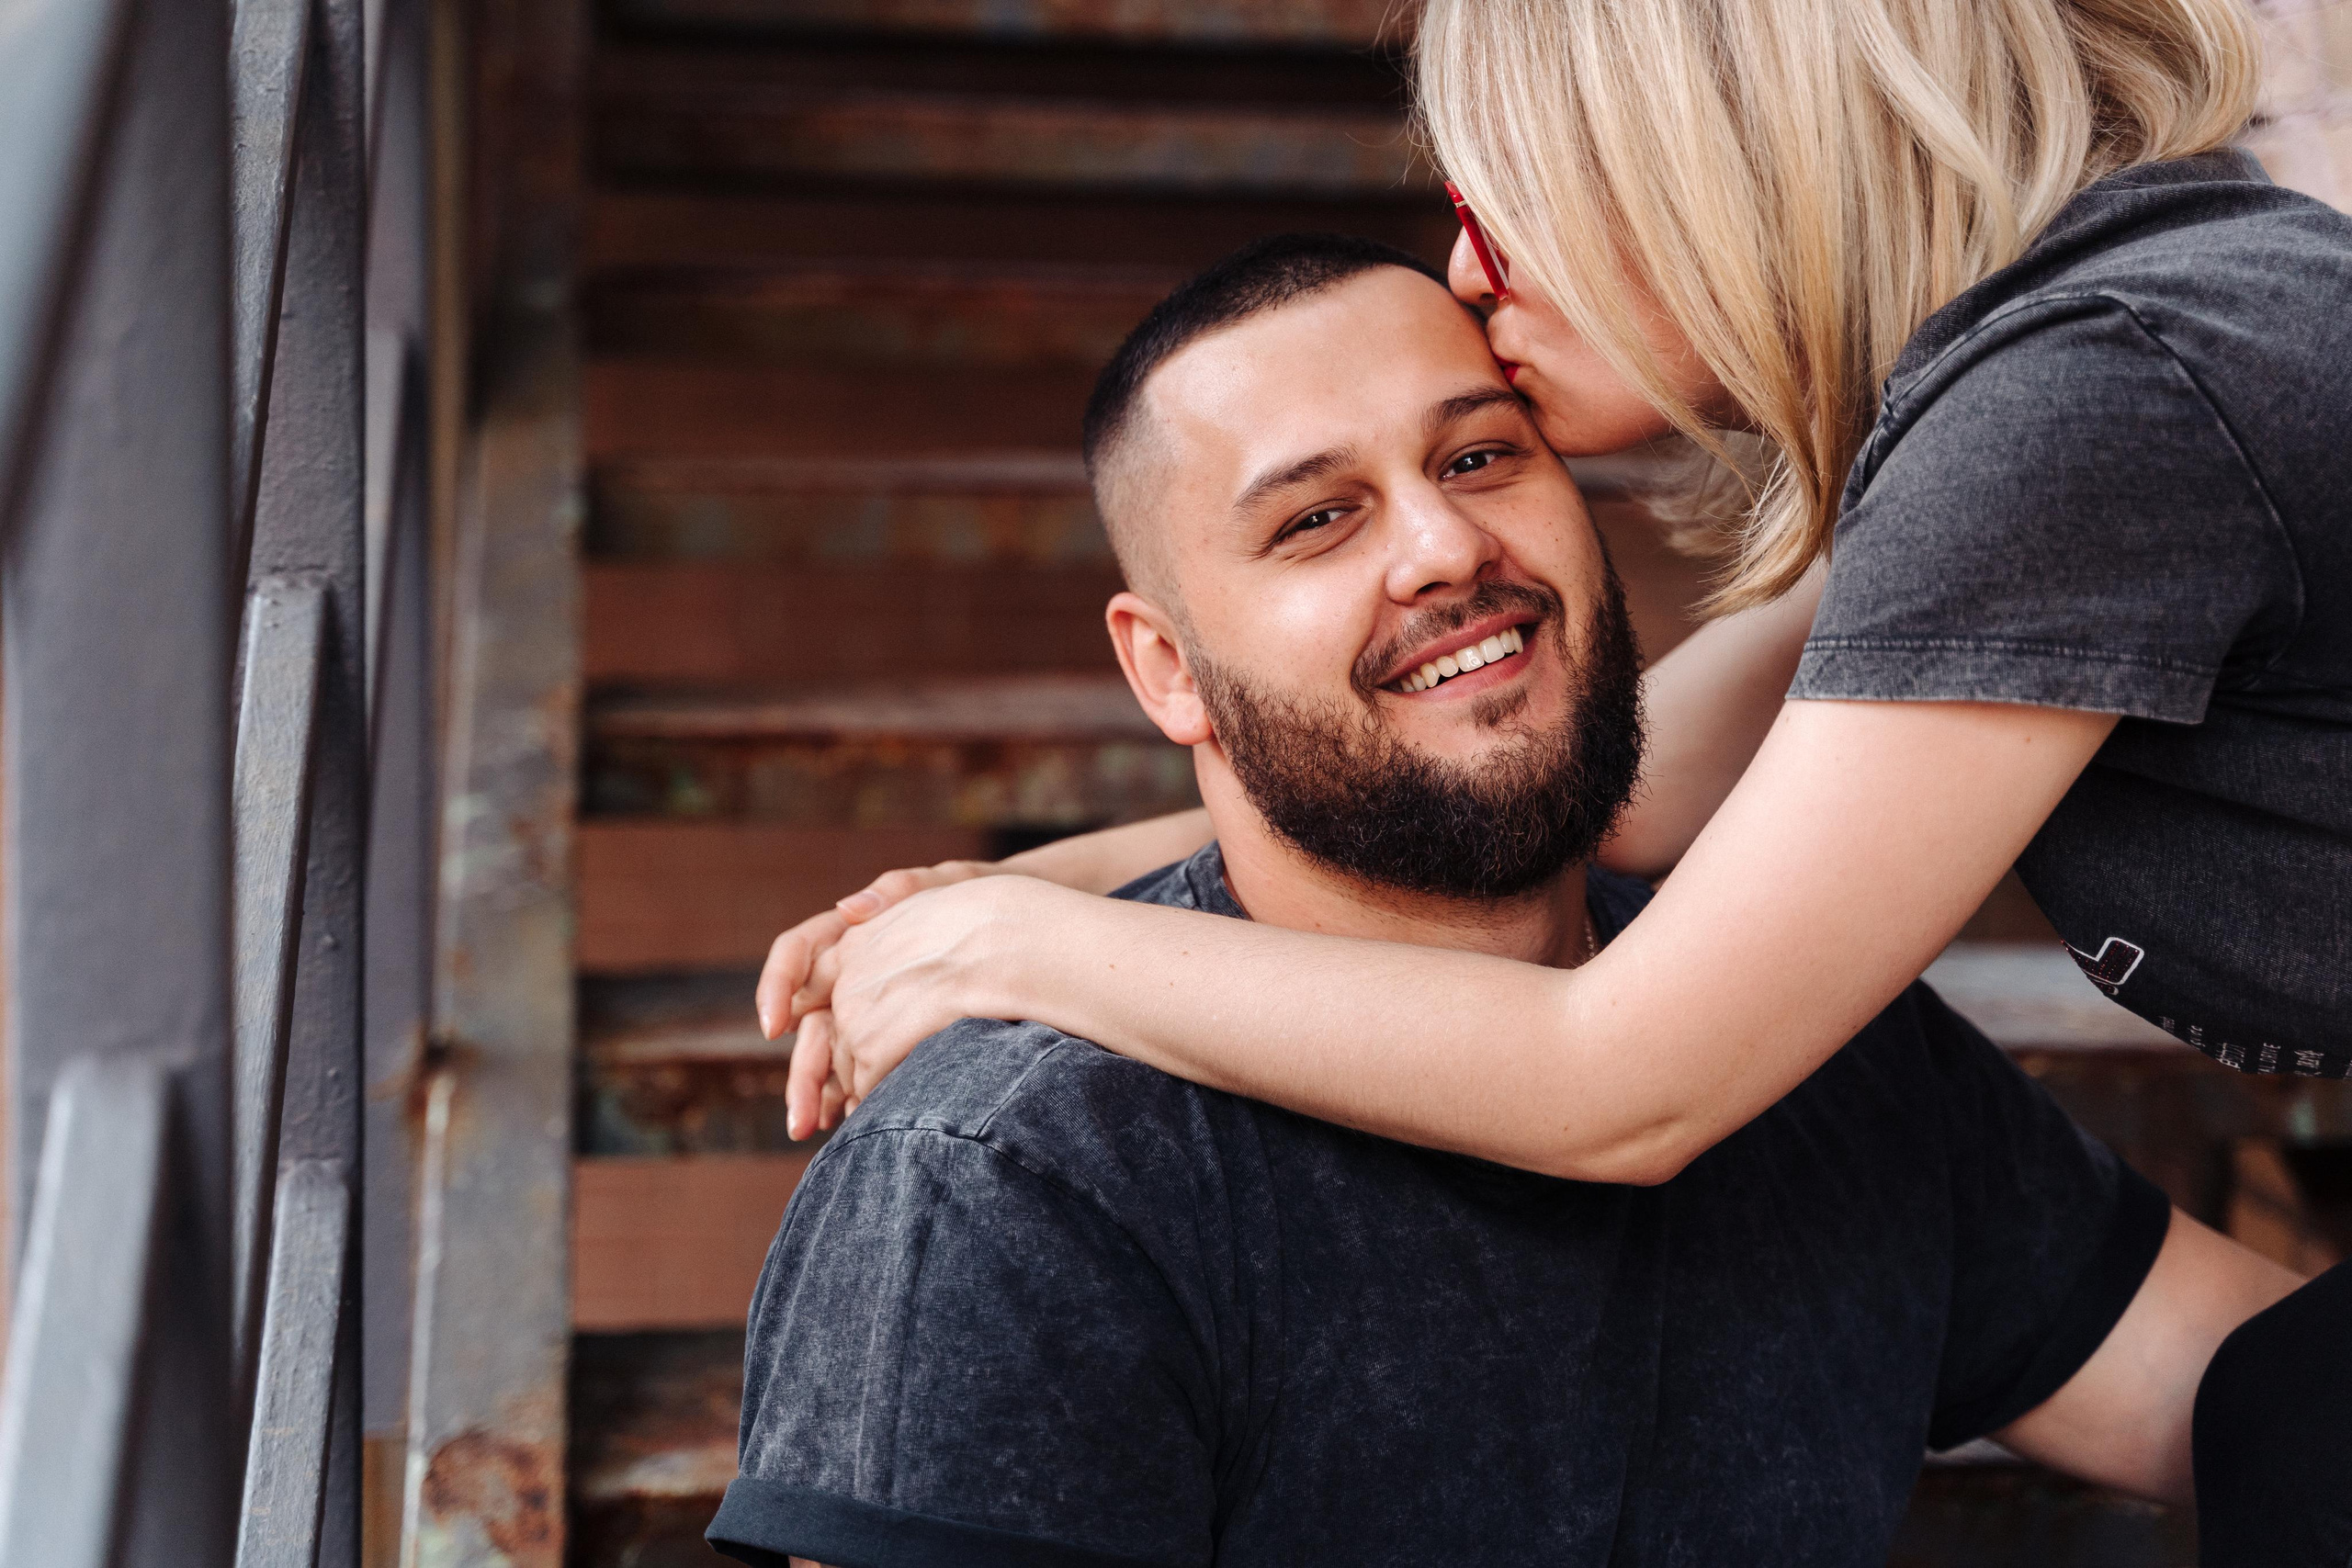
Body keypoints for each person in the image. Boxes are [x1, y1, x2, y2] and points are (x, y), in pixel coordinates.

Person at [760, 2, 2352, 1560]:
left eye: (1478, 457)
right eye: (1316, 518)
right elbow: (1633, 793)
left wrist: (1029, 947)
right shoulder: (1014, 1178)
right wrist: (1030, 889)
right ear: (1162, 667)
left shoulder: (2094, 401)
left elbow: (1623, 1075)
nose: (1467, 267)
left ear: (1685, 158)